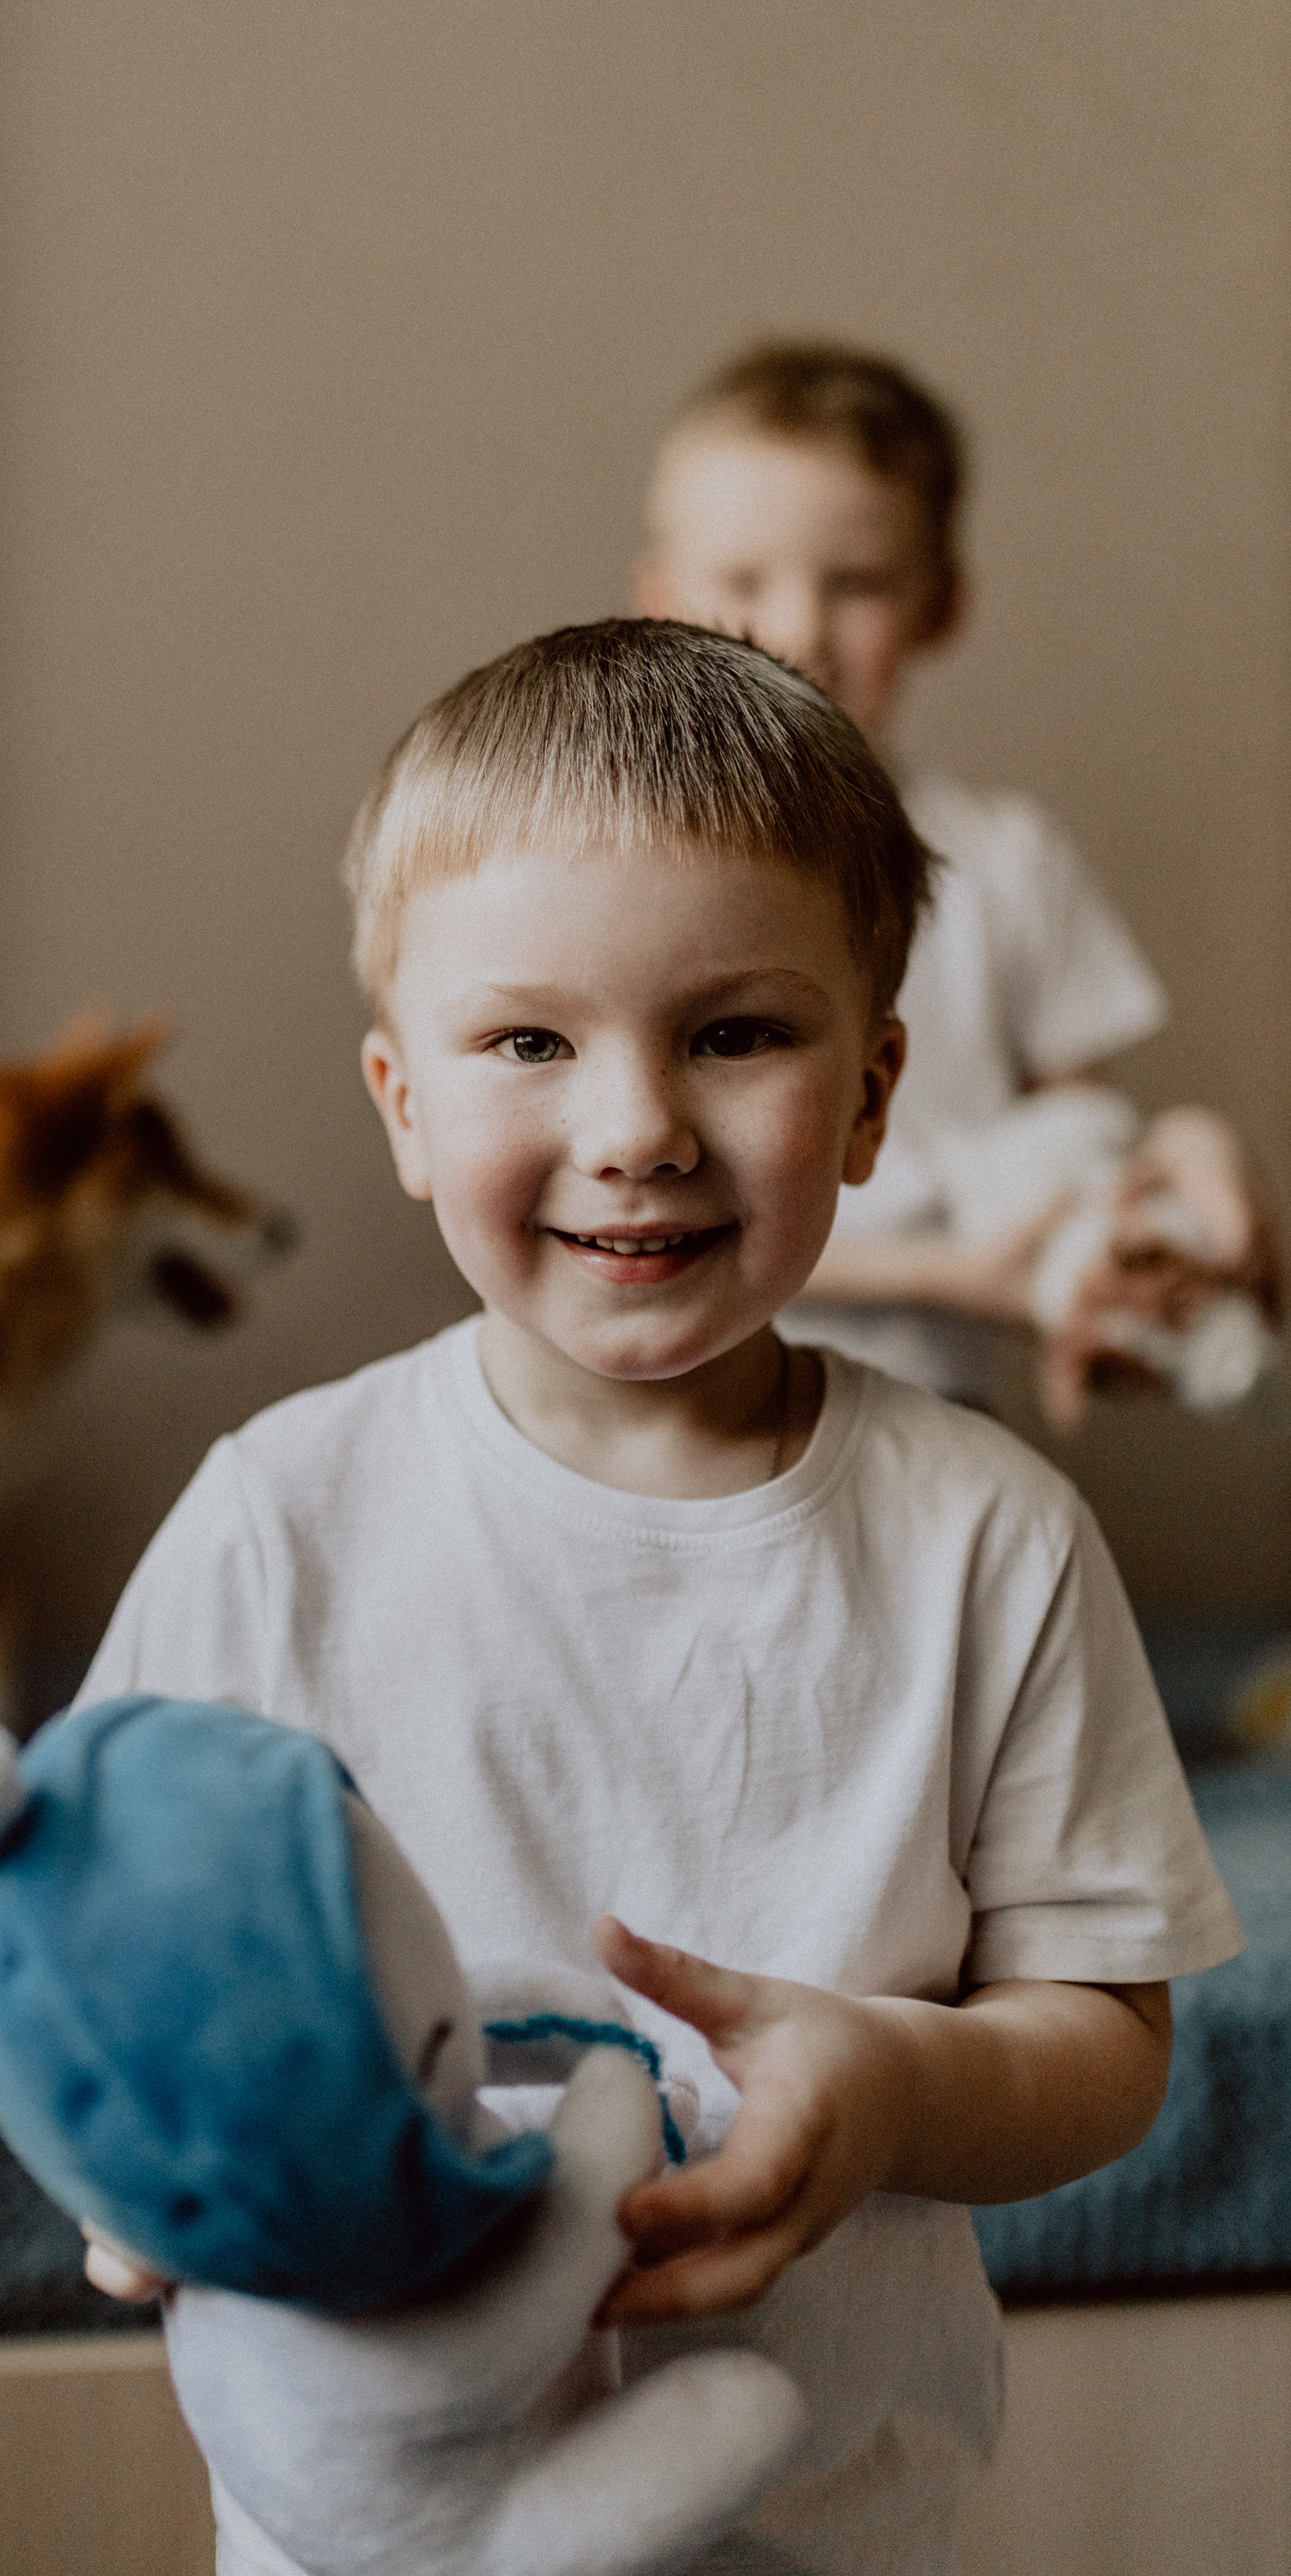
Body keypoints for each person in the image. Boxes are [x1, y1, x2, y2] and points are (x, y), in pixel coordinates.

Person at [75, 623, 1240, 2575]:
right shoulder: (280, 1522)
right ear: (402, 1104)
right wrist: (138, 2156)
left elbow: (1104, 2038)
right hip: (371, 2528)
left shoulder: (989, 1537)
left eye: (734, 1033)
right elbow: (100, 1937)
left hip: (820, 2523)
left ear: (870, 1096)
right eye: (529, 1042)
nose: (635, 1128)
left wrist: (895, 2087)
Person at [633, 340, 1278, 1413]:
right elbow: (647, 1200)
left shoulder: (1006, 862)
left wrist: (1165, 1189)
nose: (796, 629)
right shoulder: (630, 869)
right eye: (742, 582)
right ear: (659, 600)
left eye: (856, 585)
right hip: (683, 1398)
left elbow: (1072, 1148)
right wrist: (952, 1277)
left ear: (938, 606)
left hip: (926, 1410)